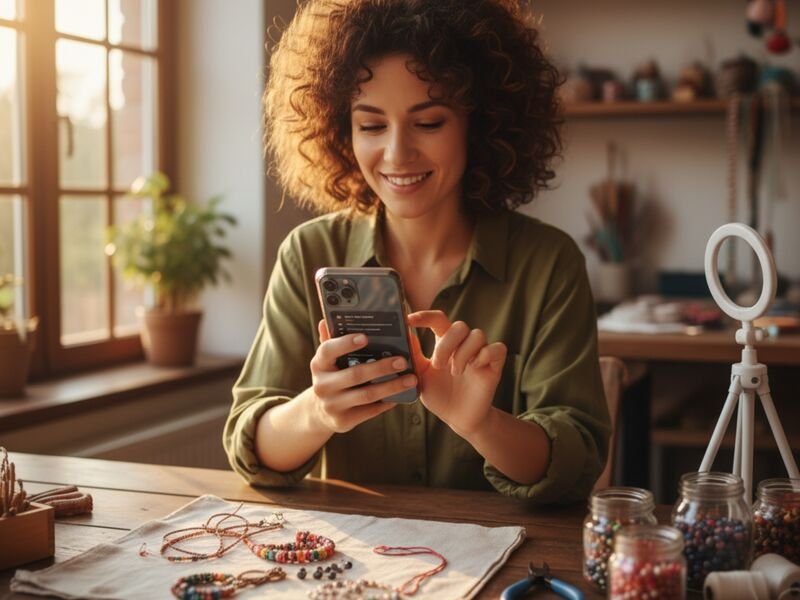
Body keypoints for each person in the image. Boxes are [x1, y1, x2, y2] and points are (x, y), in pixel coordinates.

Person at [224, 0, 610, 504]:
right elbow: (251, 447)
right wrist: (317, 412)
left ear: (481, 123)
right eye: (371, 125)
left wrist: (480, 424)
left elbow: (576, 460)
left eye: (428, 123)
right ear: (341, 131)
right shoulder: (308, 252)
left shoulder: (548, 264)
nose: (397, 154)